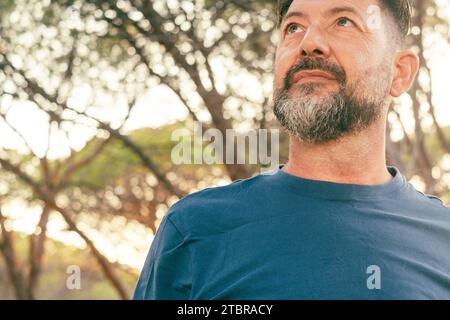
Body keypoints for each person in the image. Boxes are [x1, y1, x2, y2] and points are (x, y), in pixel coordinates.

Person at [134, 0, 450, 299]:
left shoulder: (443, 238)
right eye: (294, 27)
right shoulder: (194, 230)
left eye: (343, 22)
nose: (308, 42)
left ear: (400, 72)